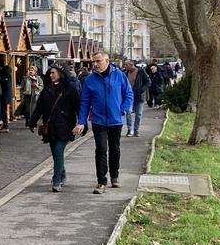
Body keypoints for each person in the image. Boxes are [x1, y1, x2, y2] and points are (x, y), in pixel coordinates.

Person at [73, 52, 134, 194]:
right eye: (93, 61)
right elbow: (85, 102)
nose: (94, 64)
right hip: (98, 120)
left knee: (115, 149)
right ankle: (101, 182)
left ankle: (114, 176)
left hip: (115, 119)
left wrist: (123, 110)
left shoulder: (119, 75)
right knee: (101, 149)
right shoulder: (90, 80)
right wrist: (81, 121)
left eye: (98, 61)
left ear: (107, 61)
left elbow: (128, 94)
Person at [27, 64, 81, 192]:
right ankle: (62, 174)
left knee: (58, 151)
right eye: (50, 73)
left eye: (53, 73)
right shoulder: (47, 88)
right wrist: (32, 121)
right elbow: (39, 107)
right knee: (55, 152)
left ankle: (56, 179)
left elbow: (79, 106)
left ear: (61, 74)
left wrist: (81, 123)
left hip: (65, 125)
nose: (51, 75)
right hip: (50, 126)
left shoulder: (70, 88)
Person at [123, 59, 150, 137]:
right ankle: (129, 129)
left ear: (132, 65)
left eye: (126, 65)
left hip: (139, 96)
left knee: (138, 114)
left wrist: (142, 90)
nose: (125, 66)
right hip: (129, 96)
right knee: (128, 112)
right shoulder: (125, 73)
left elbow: (148, 82)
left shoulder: (141, 72)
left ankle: (136, 130)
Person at [0, 63, 12, 132]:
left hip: (3, 96)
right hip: (7, 96)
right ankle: (5, 125)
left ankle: (5, 126)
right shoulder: (9, 76)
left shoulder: (4, 76)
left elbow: (4, 87)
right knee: (5, 111)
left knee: (3, 111)